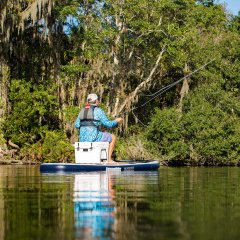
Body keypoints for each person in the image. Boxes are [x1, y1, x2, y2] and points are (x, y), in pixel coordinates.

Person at [74, 93, 123, 163]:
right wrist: (117, 121)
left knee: (102, 134)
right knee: (113, 137)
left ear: (88, 101)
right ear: (96, 101)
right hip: (94, 138)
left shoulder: (82, 111)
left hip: (82, 139)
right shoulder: (98, 110)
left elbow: (76, 125)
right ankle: (109, 159)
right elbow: (108, 124)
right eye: (98, 100)